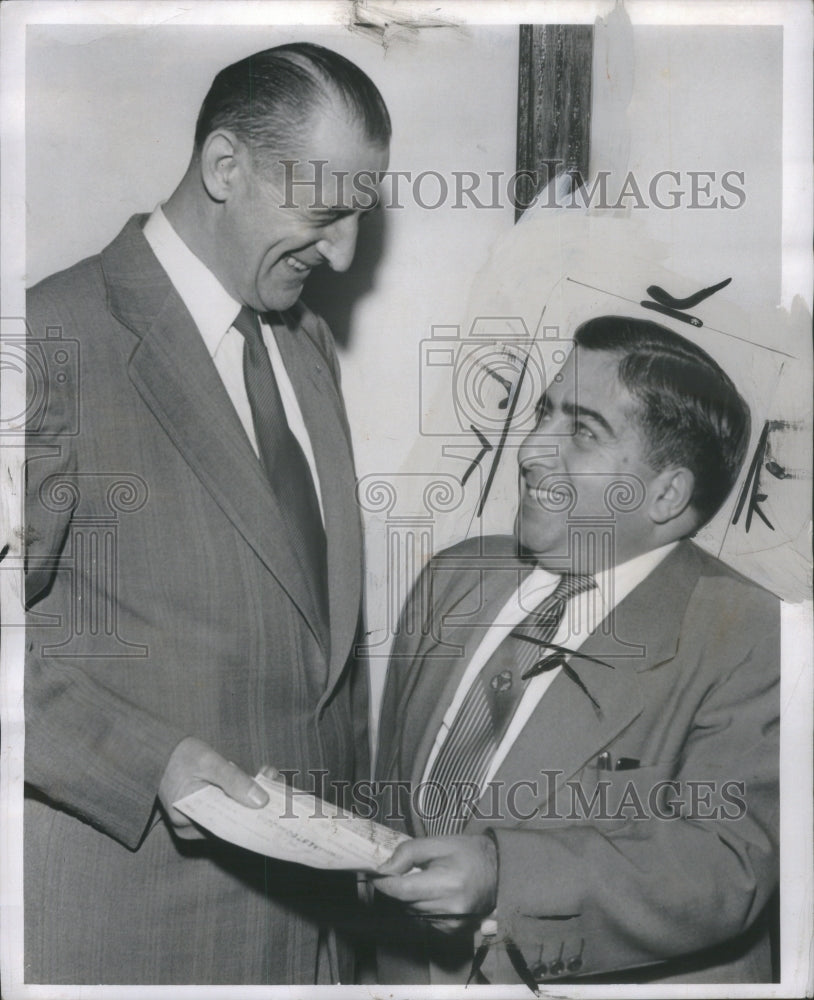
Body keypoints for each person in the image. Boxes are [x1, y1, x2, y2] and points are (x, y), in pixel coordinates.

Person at [24, 43, 389, 984]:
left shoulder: (306, 348)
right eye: (324, 212)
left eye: (361, 214)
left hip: (310, 949)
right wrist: (148, 759)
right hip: (134, 942)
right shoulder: (47, 343)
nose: (345, 251)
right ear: (226, 169)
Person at [373, 315, 779, 985]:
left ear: (667, 493)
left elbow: (726, 866)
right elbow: (391, 806)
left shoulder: (753, 637)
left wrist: (504, 874)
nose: (531, 450)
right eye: (543, 414)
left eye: (582, 432)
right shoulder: (451, 580)